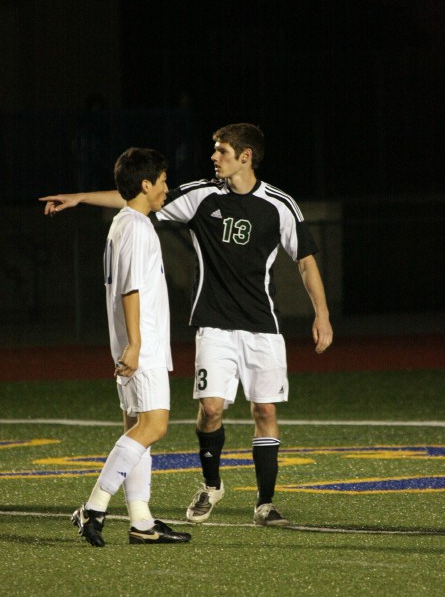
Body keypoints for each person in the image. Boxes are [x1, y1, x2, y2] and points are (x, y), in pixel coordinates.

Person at [40, 123, 333, 528]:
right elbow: (138, 198)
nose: (213, 157)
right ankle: (211, 486)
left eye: (222, 151)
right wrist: (81, 198)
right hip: (214, 324)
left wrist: (322, 313)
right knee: (210, 410)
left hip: (263, 326)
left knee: (264, 410)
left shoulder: (279, 204)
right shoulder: (201, 196)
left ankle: (265, 503)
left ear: (245, 157)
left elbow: (304, 260)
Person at [68, 147, 191, 546]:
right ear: (145, 184)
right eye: (163, 181)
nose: (166, 188)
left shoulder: (123, 222)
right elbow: (132, 289)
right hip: (143, 345)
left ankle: (141, 522)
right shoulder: (137, 228)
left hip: (128, 343)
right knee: (154, 426)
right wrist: (137, 344)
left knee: (137, 431)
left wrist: (81, 197)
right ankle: (94, 506)